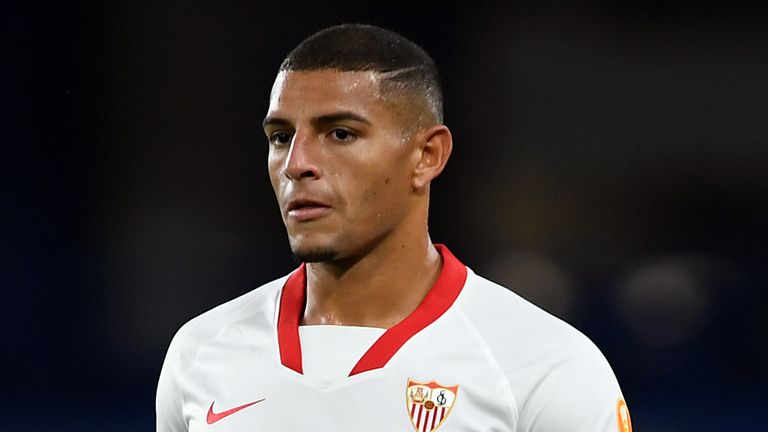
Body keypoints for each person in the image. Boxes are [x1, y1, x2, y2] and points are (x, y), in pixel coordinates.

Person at [156, 24, 632, 432]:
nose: (296, 164)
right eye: (281, 137)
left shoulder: (545, 367)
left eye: (340, 133)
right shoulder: (200, 353)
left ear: (428, 156)